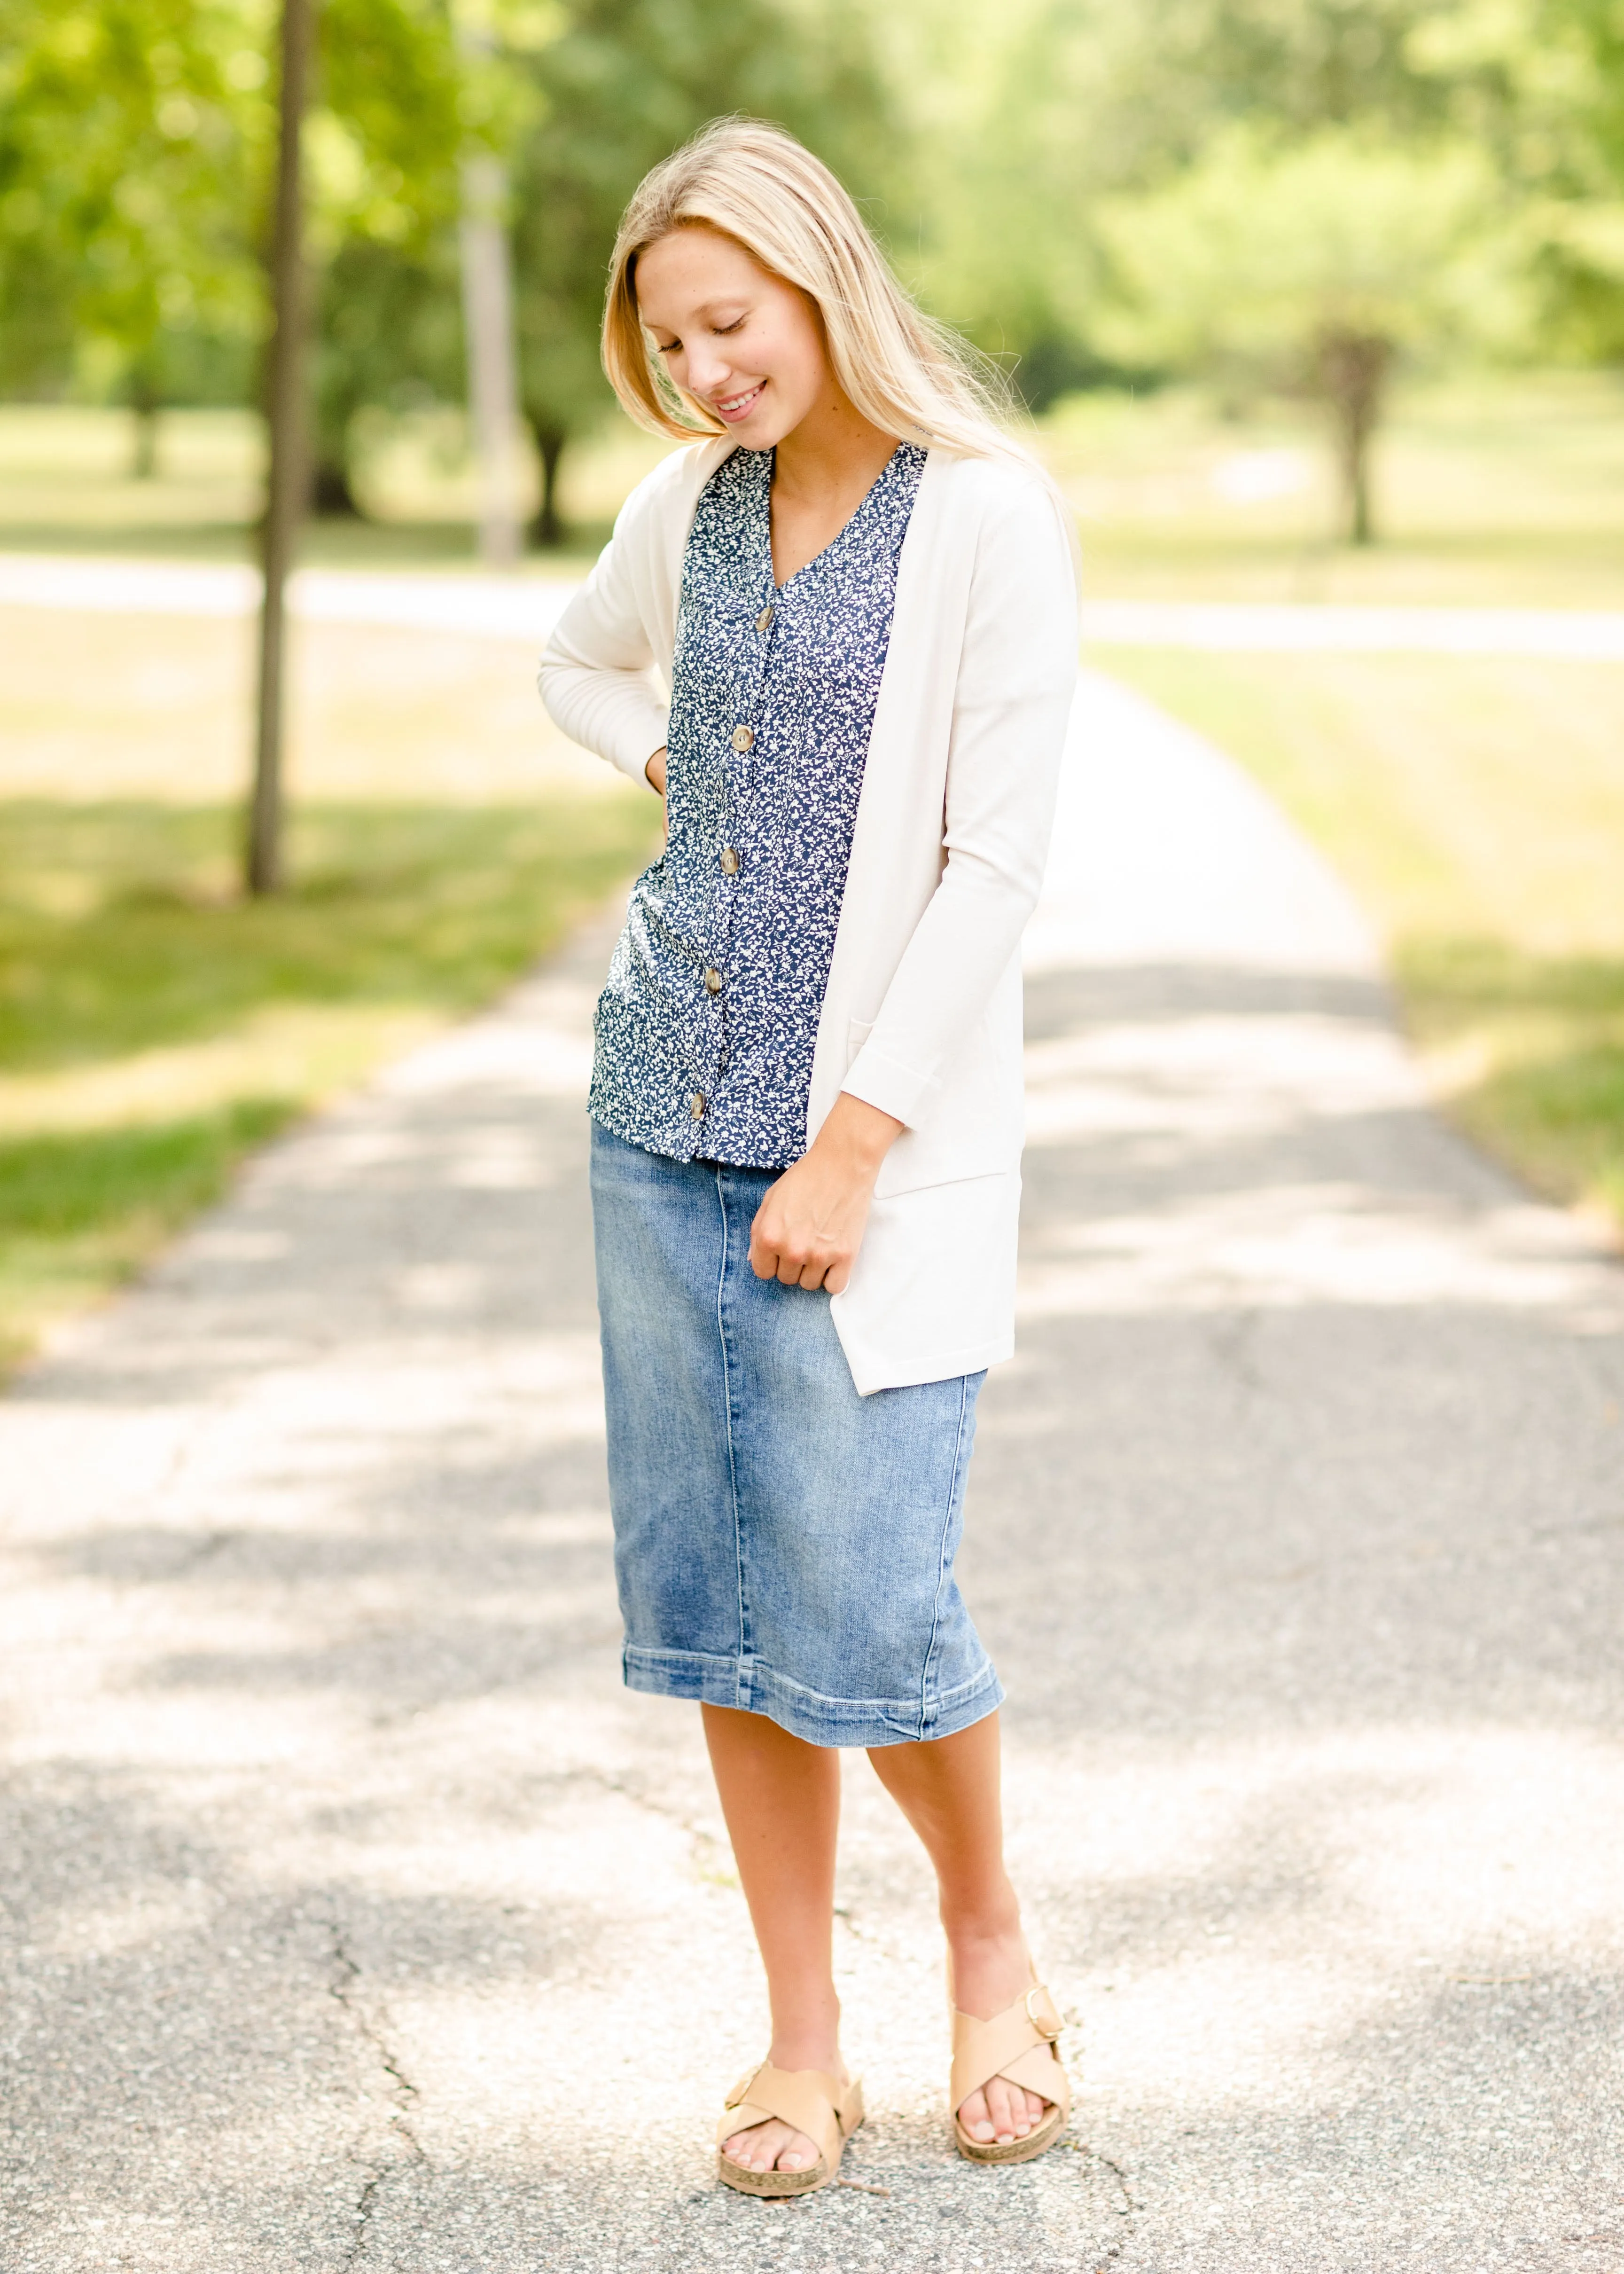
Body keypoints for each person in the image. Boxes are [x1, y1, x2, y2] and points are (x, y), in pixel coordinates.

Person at [538, 117, 1079, 2198]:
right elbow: (575, 668)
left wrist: (852, 1148)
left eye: (730, 324)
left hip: (866, 1160)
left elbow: (995, 866)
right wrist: (662, 749)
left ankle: (991, 1944)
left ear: (817, 280)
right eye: (671, 345)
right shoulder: (687, 507)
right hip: (659, 1113)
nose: (703, 374)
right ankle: (796, 2037)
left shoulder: (988, 521)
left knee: (867, 1594)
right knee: (719, 1605)